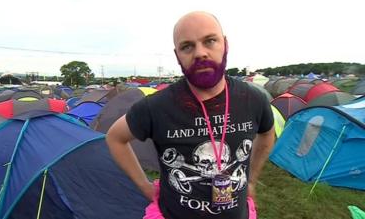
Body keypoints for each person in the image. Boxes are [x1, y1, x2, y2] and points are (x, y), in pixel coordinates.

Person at [106, 11, 275, 219]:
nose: (200, 53)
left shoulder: (253, 99)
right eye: (187, 46)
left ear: (225, 44)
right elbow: (115, 137)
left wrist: (250, 179)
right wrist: (144, 185)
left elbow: (267, 134)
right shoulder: (157, 106)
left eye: (210, 41)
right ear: (178, 56)